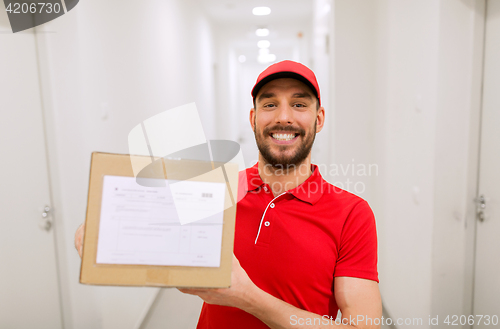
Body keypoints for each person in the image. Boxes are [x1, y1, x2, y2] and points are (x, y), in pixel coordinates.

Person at [75, 60, 382, 328]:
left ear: (319, 118)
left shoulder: (352, 214)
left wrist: (248, 297)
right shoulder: (213, 190)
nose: (284, 117)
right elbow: (151, 235)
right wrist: (104, 235)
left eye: (299, 104)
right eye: (270, 104)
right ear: (253, 119)